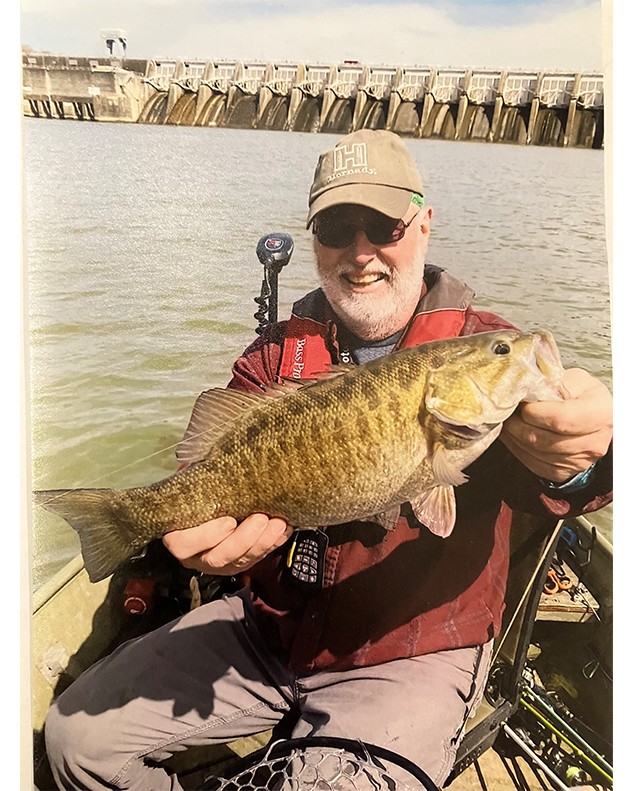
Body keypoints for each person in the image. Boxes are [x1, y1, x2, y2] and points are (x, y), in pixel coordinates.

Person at [44, 130, 613, 790]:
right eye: (338, 227)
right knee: (74, 739)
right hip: (272, 627)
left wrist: (583, 456)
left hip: (412, 648)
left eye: (383, 224)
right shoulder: (274, 357)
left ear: (423, 226)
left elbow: (578, 479)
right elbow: (209, 464)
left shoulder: (482, 342)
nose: (361, 250)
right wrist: (186, 536)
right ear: (313, 240)